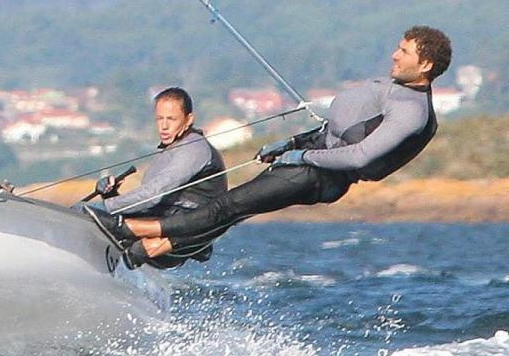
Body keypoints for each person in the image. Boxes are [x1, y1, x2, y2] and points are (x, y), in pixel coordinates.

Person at [100, 26, 452, 269]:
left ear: (425, 65)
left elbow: (360, 155)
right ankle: (152, 248)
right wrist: (293, 142)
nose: (394, 55)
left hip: (318, 176)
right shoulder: (396, 85)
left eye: (403, 52)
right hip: (311, 160)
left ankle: (125, 227)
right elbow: (341, 130)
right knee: (234, 208)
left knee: (228, 204)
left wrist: (303, 156)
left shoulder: (412, 112)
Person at [85, 87, 226, 269]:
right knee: (103, 219)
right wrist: (110, 195)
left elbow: (154, 194)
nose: (164, 126)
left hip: (179, 240)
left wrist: (105, 207)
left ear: (189, 119)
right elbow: (151, 204)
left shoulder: (195, 148)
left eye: (171, 119)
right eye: (160, 119)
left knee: (100, 217)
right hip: (157, 228)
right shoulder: (170, 150)